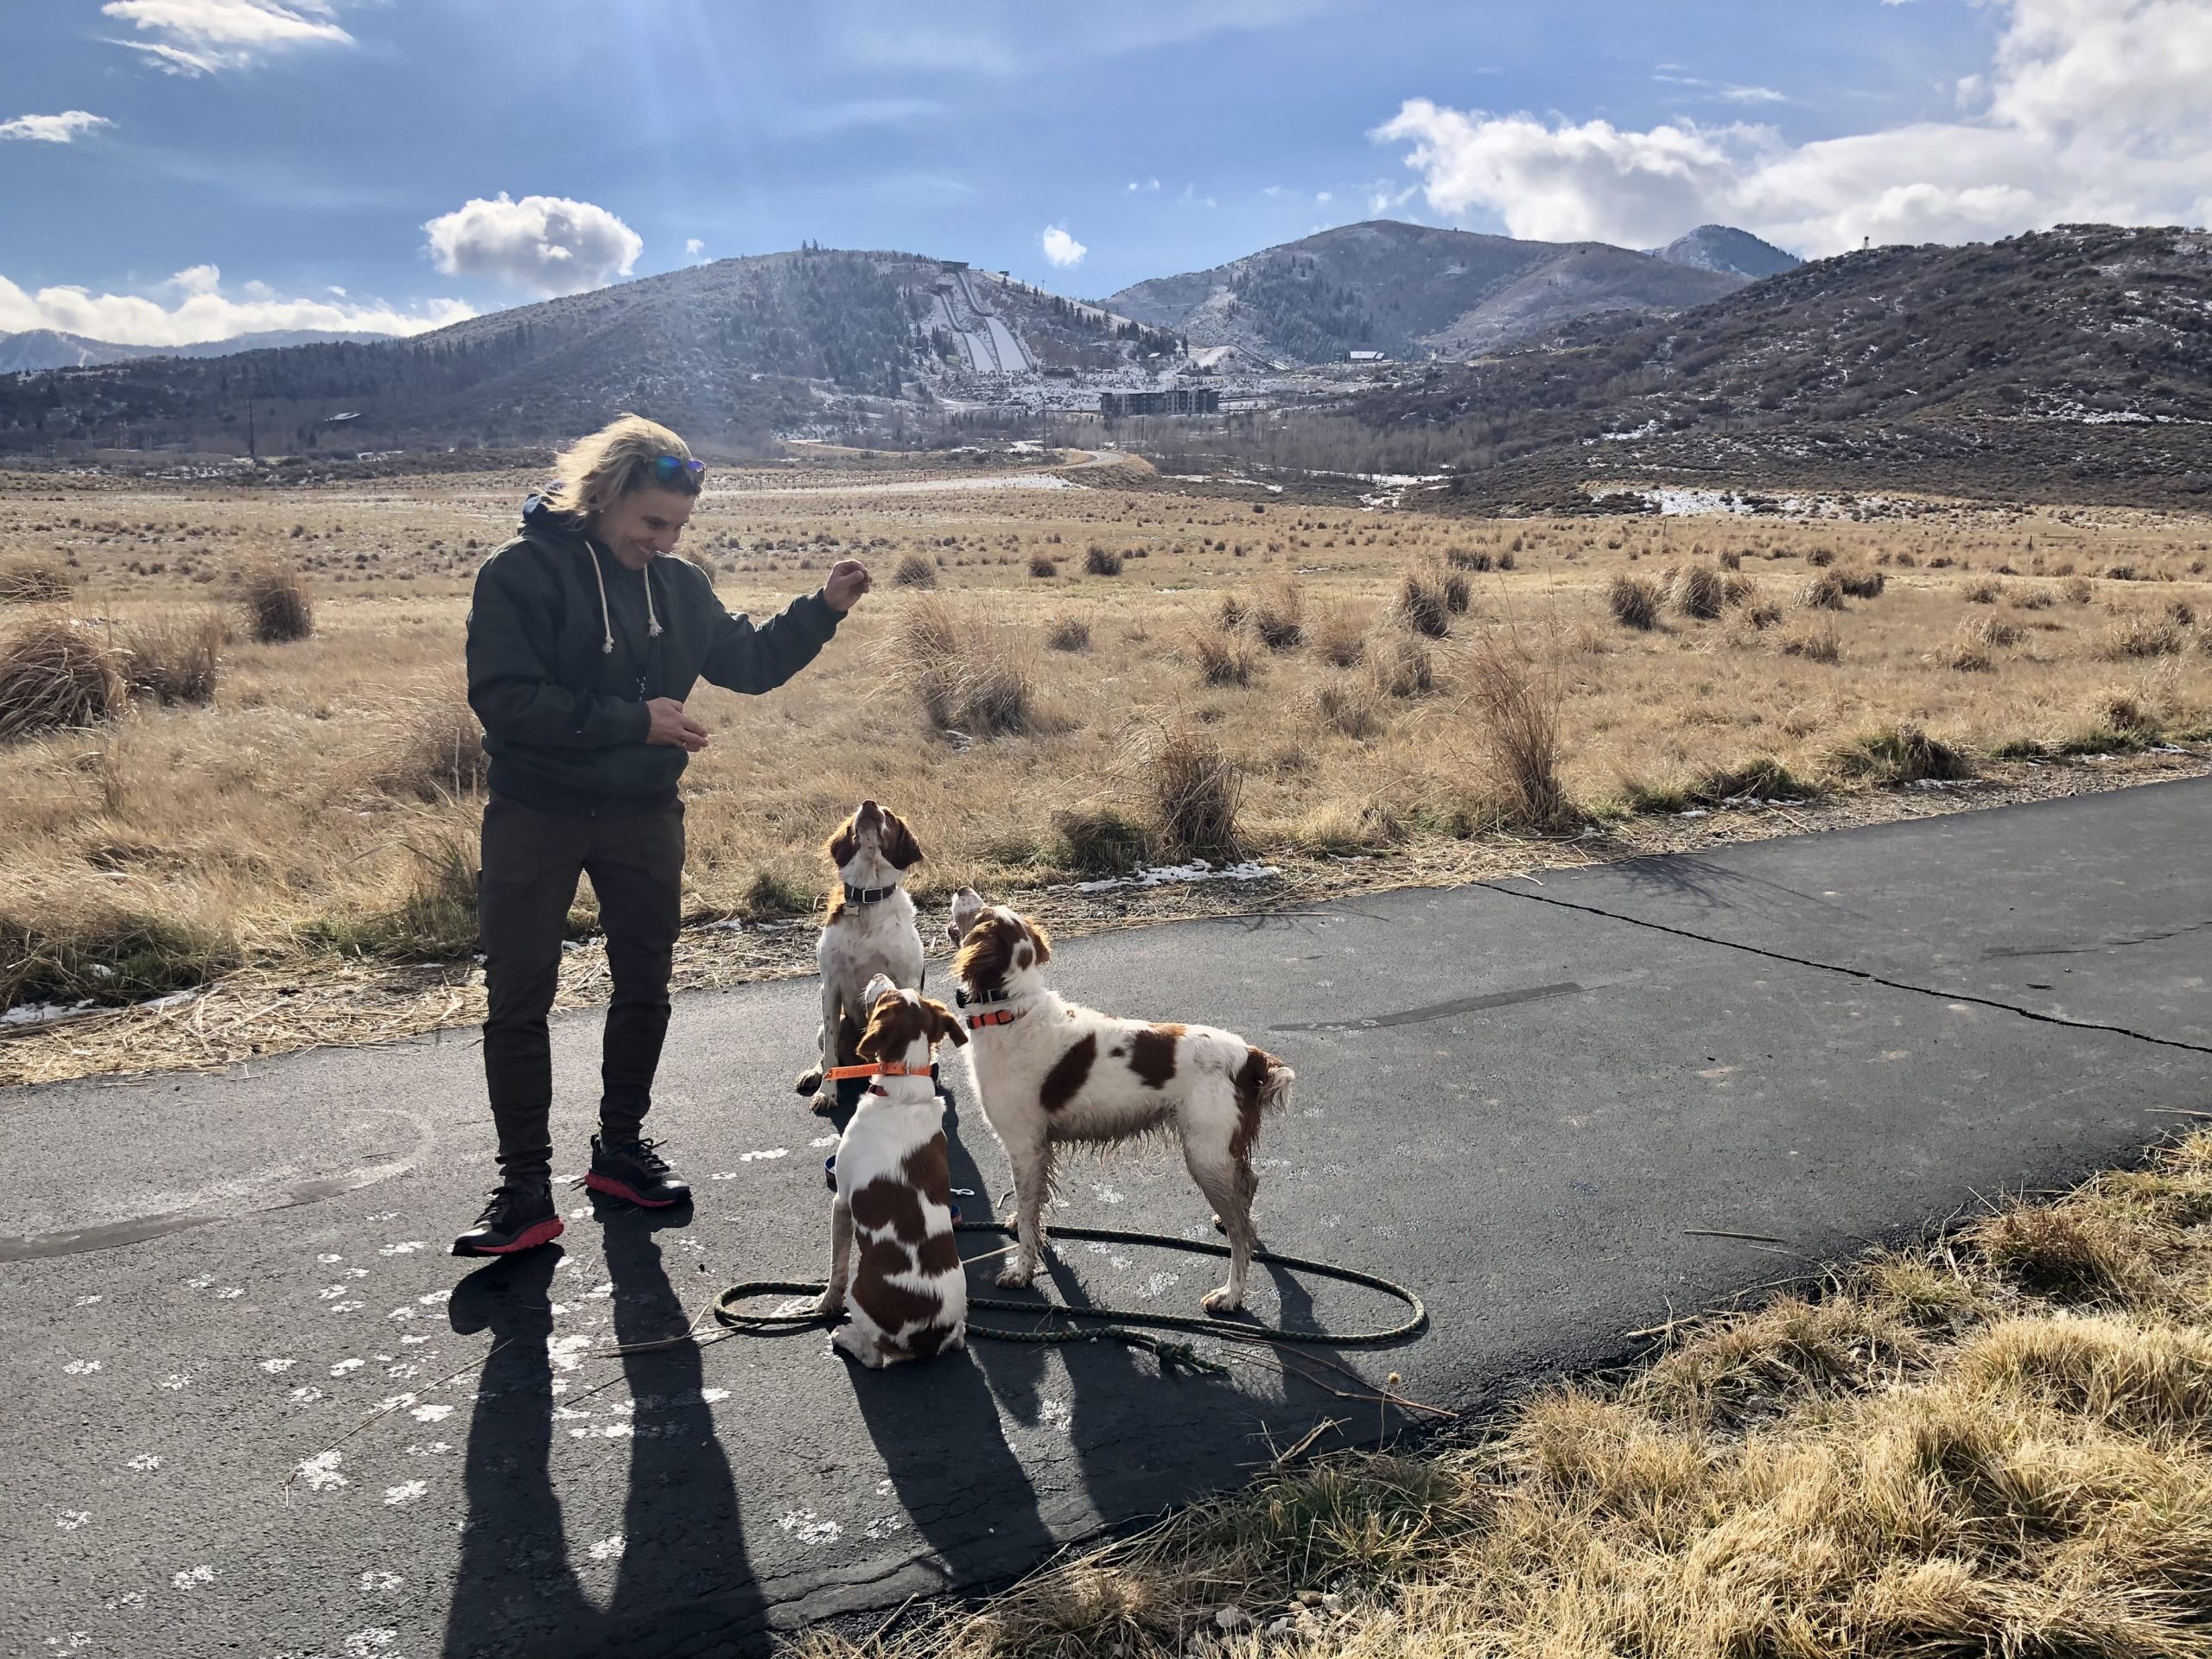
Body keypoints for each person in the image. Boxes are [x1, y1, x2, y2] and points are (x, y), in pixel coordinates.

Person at [453, 414, 871, 1255]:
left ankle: (620, 1150)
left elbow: (745, 662)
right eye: (652, 523)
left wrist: (821, 610)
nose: (665, 541)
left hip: (644, 818)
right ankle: (523, 1189)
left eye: (678, 527)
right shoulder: (520, 574)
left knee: (644, 985)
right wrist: (631, 722)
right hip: (536, 813)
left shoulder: (677, 587)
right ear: (603, 496)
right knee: (519, 998)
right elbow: (504, 699)